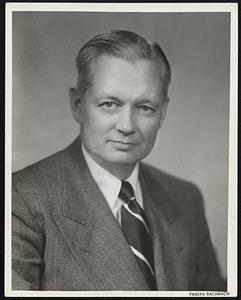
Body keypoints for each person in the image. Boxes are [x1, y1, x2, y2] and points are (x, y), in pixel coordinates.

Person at [12, 30, 226, 291]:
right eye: (109, 104)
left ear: (163, 113)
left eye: (145, 107)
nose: (127, 126)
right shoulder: (21, 200)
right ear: (78, 104)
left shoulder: (185, 198)